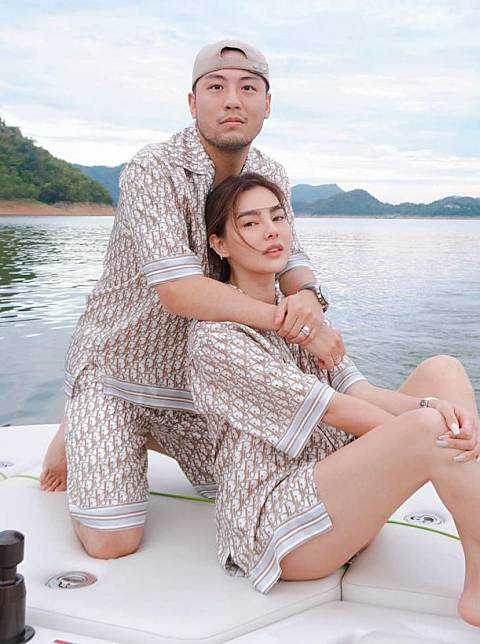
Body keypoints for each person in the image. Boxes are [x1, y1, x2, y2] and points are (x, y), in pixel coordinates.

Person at [188, 172, 480, 643]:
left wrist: (441, 415)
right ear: (219, 244)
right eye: (250, 223)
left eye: (278, 217)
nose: (271, 231)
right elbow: (339, 411)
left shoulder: (299, 314)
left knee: (443, 373)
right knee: (431, 427)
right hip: (283, 532)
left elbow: (360, 391)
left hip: (340, 501)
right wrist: (460, 443)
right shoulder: (217, 340)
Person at [39, 40, 345, 559]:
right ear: (192, 101)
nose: (233, 100)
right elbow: (178, 290)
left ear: (267, 104)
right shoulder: (152, 168)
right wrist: (292, 325)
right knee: (112, 541)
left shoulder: (270, 172)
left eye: (248, 88)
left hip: (199, 377)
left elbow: (293, 258)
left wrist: (311, 300)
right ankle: (83, 419)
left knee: (235, 489)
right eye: (216, 87)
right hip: (118, 369)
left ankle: (143, 435)